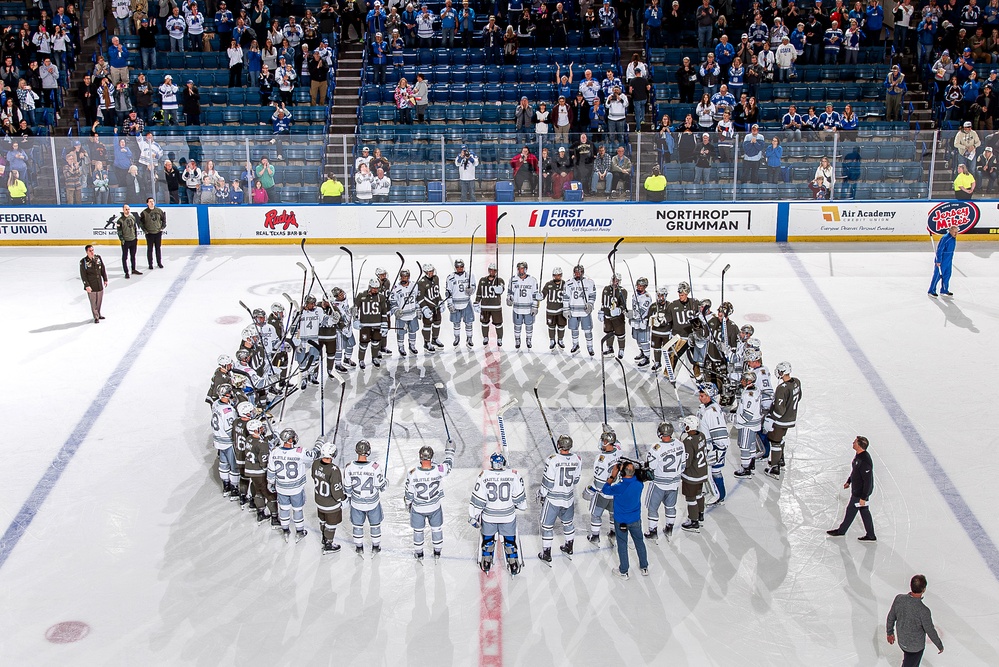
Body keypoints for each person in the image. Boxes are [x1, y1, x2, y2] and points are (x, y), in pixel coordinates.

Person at [469, 452, 527, 574]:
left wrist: (473, 516)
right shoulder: (514, 474)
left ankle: (486, 561)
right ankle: (513, 563)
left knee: (488, 540)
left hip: (489, 516)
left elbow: (478, 500)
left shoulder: (484, 475)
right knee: (510, 541)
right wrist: (519, 505)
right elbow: (519, 499)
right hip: (507, 516)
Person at [404, 443, 456, 561]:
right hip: (434, 507)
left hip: (418, 508)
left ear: (420, 457)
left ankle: (419, 553)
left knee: (418, 531)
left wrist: (408, 503)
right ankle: (437, 552)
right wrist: (450, 452)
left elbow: (409, 493)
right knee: (436, 529)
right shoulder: (438, 469)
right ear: (432, 457)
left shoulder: (413, 473)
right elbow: (448, 465)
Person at [600, 459, 648, 578]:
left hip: (621, 520)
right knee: (639, 542)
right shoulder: (639, 484)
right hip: (635, 519)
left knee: (622, 544)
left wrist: (612, 475)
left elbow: (605, 490)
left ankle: (624, 571)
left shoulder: (619, 487)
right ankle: (644, 567)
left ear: (622, 473)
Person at [886, 574, 945, 666]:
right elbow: (930, 630)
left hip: (902, 642)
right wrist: (939, 645)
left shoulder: (899, 599)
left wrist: (889, 633)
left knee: (908, 660)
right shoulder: (923, 611)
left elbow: (891, 617)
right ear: (924, 589)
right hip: (915, 648)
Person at [827, 435, 877, 541]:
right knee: (864, 512)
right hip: (858, 491)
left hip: (860, 493)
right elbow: (855, 472)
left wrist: (863, 497)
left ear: (859, 445)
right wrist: (849, 481)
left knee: (851, 510)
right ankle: (871, 535)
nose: (853, 443)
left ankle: (842, 531)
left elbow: (868, 481)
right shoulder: (858, 456)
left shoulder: (864, 460)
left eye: (855, 442)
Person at [344, 439, 388, 555]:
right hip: (372, 503)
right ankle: (375, 547)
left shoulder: (349, 467)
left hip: (356, 503)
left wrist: (348, 498)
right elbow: (381, 486)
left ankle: (359, 547)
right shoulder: (374, 467)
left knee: (357, 526)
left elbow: (347, 488)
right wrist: (385, 482)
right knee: (375, 525)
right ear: (368, 451)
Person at [80, 245, 109, 323]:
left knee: (99, 300)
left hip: (99, 283)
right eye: (90, 251)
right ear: (87, 252)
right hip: (91, 285)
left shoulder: (98, 258)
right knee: (93, 302)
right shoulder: (84, 261)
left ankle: (98, 314)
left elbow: (103, 269)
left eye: (92, 250)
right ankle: (96, 316)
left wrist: (105, 279)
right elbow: (83, 275)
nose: (92, 252)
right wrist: (87, 285)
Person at [929, 224, 959, 297]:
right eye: (955, 232)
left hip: (949, 259)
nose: (956, 234)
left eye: (957, 232)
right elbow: (939, 250)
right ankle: (931, 291)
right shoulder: (945, 238)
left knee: (947, 274)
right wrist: (938, 260)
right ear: (950, 231)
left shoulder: (953, 238)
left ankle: (944, 290)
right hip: (942, 260)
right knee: (937, 275)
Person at [116, 204, 142, 279]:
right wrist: (122, 240)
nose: (127, 211)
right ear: (123, 210)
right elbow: (119, 232)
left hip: (133, 240)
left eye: (128, 209)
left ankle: (133, 269)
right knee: (125, 257)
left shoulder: (133, 218)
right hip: (126, 241)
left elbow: (134, 228)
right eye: (126, 209)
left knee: (133, 256)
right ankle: (126, 272)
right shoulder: (120, 220)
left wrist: (136, 237)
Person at [138, 197, 166, 270]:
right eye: (150, 201)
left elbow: (163, 219)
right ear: (147, 203)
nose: (152, 203)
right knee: (150, 249)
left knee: (158, 248)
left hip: (158, 232)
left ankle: (159, 262)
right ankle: (150, 264)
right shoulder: (144, 212)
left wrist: (162, 227)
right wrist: (145, 231)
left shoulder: (159, 211)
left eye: (153, 201)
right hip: (149, 233)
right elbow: (141, 223)